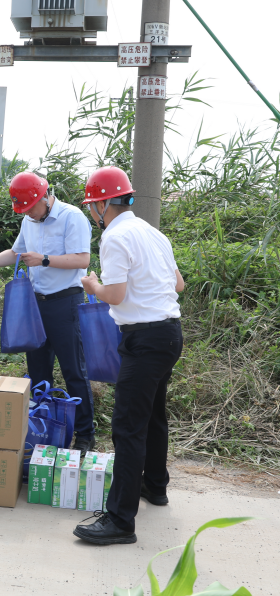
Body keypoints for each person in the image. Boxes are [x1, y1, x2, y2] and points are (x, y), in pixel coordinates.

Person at [72, 166, 184, 546]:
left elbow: (116, 296)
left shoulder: (115, 237)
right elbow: (178, 284)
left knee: (127, 426)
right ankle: (155, 486)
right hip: (169, 335)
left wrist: (92, 285)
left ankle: (120, 520)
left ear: (103, 205)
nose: (92, 212)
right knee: (152, 414)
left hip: (145, 340)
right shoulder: (153, 233)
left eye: (92, 206)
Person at [0, 171, 95, 451]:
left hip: (65, 303)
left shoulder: (71, 217)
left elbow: (82, 259)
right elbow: (16, 253)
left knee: (74, 370)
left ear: (45, 197)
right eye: (23, 210)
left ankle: (85, 435)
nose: (28, 214)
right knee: (38, 371)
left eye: (30, 208)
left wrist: (44, 259)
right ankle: (44, 430)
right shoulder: (29, 219)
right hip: (36, 304)